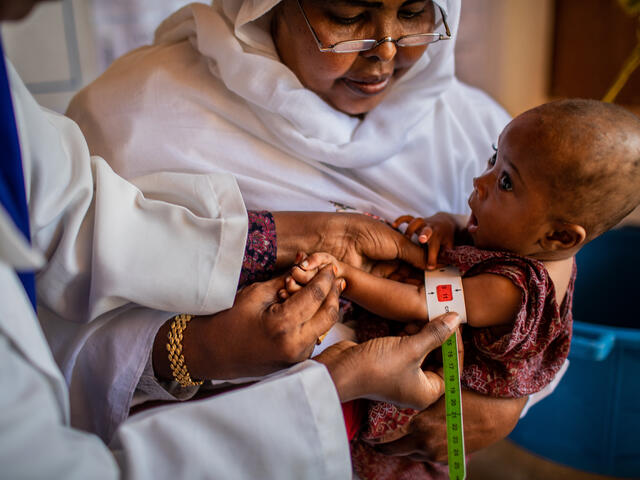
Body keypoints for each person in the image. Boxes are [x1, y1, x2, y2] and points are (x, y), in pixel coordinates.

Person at [0, 1, 469, 478]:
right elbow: (58, 332)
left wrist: (497, 401)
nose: (387, 49)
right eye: (348, 16)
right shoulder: (132, 112)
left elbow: (535, 263)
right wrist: (201, 349)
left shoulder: (466, 125)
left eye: (413, 12)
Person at [284, 98, 640, 478]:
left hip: (432, 403)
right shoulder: (533, 240)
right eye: (493, 159)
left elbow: (422, 303)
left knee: (372, 441)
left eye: (505, 182)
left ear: (559, 235)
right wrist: (441, 223)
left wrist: (348, 277)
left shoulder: (514, 290)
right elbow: (467, 224)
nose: (480, 181)